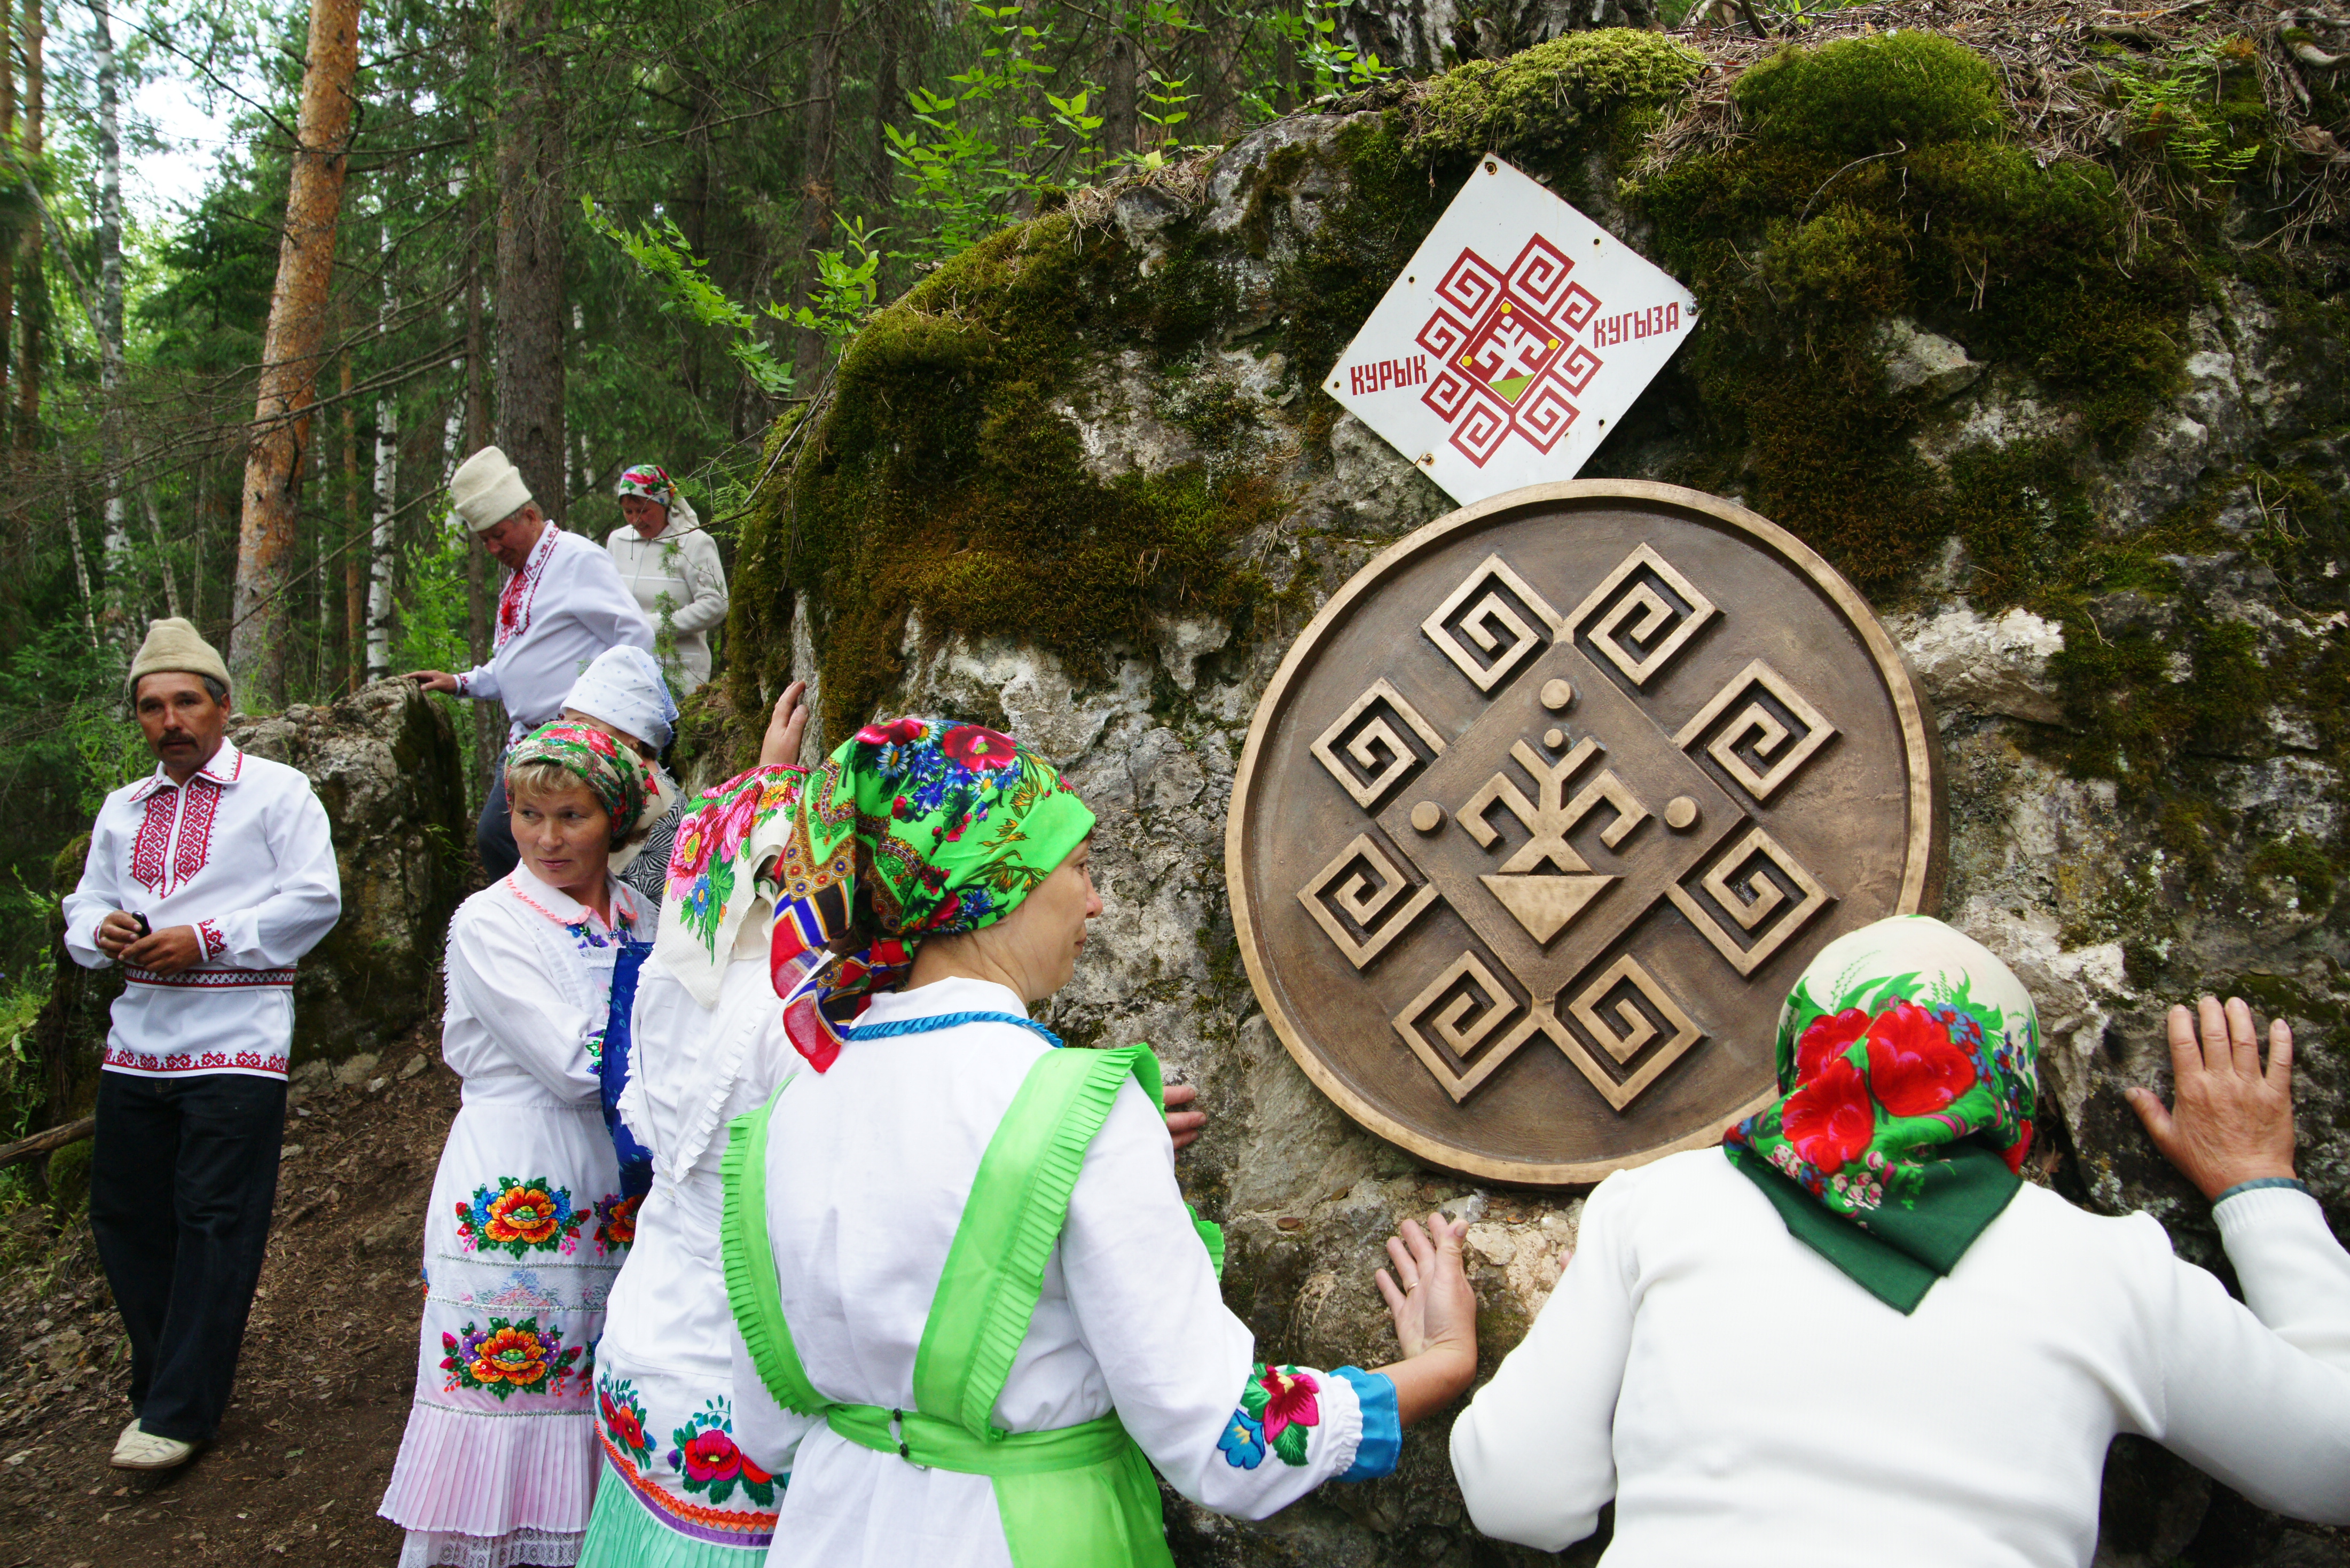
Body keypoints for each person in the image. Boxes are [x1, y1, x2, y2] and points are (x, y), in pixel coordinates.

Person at [714, 716, 1480, 1567]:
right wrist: (1440, 1366)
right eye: (1076, 867)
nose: (1095, 900)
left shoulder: (792, 1104)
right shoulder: (1077, 1109)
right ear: (993, 885)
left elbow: (766, 1426)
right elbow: (1226, 1440)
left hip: (830, 1527)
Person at [1450, 914, 2350, 1563]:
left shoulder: (1660, 1207)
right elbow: (2333, 1466)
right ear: (2010, 1092)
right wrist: (2259, 1192)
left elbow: (1519, 1496)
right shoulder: (2113, 1271)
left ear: (1803, 1060)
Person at [60, 617, 342, 1472]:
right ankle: (163, 1386)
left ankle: (180, 1410)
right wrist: (99, 929)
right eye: (152, 707)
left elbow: (315, 901)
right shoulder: (123, 809)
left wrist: (206, 937)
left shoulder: (278, 792)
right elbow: (82, 905)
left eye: (187, 701)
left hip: (237, 1042)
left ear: (224, 706)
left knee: (216, 1220)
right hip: (136, 1042)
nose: (170, 720)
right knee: (124, 1218)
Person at [378, 722, 659, 1568]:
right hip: (521, 1166)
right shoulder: (490, 922)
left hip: (613, 1172)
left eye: (569, 815)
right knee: (515, 1375)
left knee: (594, 1376)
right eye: (528, 814)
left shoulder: (639, 912)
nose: (544, 838)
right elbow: (574, 1062)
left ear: (613, 817)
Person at [408, 445, 654, 882]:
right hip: (526, 740)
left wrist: (605, 722)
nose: (493, 547)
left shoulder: (575, 559)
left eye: (499, 534)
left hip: (572, 738)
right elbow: (517, 663)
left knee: (506, 835)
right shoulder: (522, 578)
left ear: (529, 515)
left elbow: (635, 636)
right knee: (511, 838)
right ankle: (550, 921)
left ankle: (568, 916)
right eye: (484, 540)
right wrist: (460, 682)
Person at [560, 644, 684, 911]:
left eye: (585, 727)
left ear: (633, 735)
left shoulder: (670, 810)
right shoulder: (589, 789)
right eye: (568, 727)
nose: (572, 739)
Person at [605, 464, 728, 696]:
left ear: (663, 503)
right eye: (628, 511)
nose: (635, 520)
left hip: (679, 673)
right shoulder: (617, 542)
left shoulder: (694, 543)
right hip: (626, 671)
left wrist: (652, 626)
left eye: (642, 510)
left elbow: (716, 604)